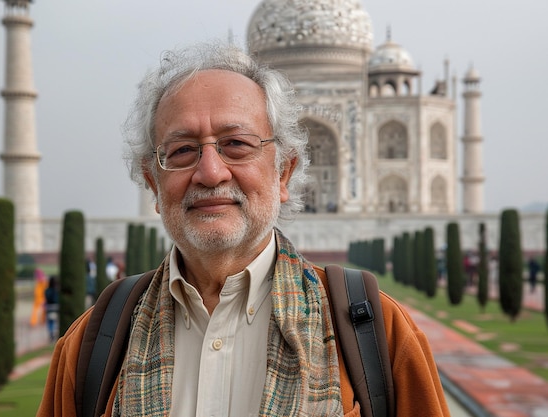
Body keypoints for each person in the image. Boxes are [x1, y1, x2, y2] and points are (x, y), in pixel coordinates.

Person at [38, 41, 450, 416]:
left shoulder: (377, 335)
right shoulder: (92, 347)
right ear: (153, 182)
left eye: (237, 144)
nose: (211, 172)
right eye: (182, 151)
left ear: (284, 172)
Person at [44, 276, 60, 342]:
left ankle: (51, 334)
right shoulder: (56, 290)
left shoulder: (47, 290)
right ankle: (54, 334)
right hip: (56, 307)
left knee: (50, 322)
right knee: (55, 321)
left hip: (49, 307)